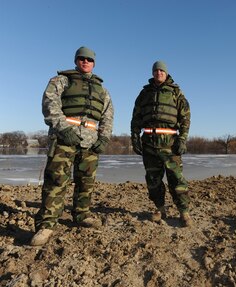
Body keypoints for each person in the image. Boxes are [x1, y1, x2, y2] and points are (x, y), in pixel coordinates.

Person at [31, 46, 114, 246]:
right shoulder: (61, 80)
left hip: (90, 141)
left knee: (86, 182)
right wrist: (63, 129)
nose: (85, 61)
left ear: (94, 63)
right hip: (64, 138)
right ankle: (47, 224)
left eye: (89, 59)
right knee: (56, 181)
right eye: (81, 58)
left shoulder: (102, 90)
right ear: (76, 60)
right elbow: (49, 103)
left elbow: (108, 116)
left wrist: (103, 139)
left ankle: (82, 214)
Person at [131, 61, 192, 227]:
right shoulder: (144, 94)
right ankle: (160, 209)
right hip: (149, 143)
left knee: (176, 179)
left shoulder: (176, 93)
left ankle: (184, 212)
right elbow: (136, 117)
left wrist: (182, 139)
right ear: (152, 73)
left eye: (161, 70)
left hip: (170, 143)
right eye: (156, 70)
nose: (159, 73)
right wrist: (135, 137)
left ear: (166, 73)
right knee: (153, 180)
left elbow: (185, 117)